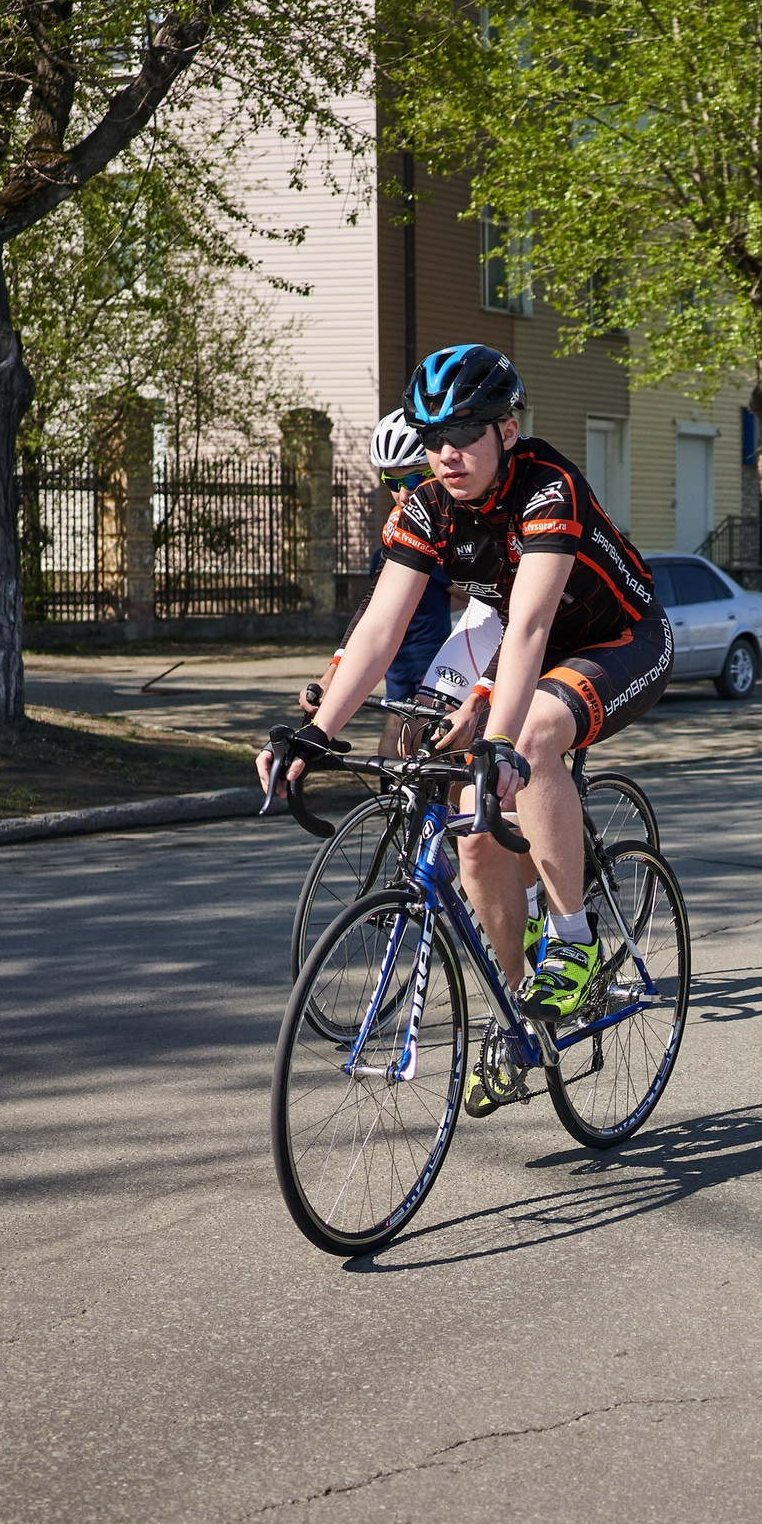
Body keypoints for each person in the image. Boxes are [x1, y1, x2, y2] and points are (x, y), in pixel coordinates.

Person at [260, 344, 673, 1040]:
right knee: (474, 832)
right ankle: (518, 1020)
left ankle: (574, 936)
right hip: (528, 652)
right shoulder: (426, 508)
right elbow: (380, 629)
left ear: (506, 430)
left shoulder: (548, 487)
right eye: (432, 439)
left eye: (461, 434)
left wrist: (500, 738)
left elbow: (534, 625)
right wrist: (317, 732)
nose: (445, 455)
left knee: (530, 738)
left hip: (619, 641)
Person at [301, 416, 457, 756]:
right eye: (392, 480)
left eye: (417, 478)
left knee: (491, 742)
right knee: (410, 722)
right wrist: (332, 674)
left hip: (514, 623)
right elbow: (373, 605)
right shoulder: (400, 523)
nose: (403, 494)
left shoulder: (467, 513)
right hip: (423, 643)